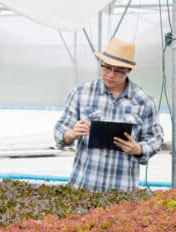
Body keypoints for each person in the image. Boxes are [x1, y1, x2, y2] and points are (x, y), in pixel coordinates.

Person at [53, 37, 164, 192]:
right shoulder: (81, 93)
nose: (111, 75)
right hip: (82, 189)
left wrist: (138, 148)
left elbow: (156, 138)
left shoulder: (144, 101)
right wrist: (70, 134)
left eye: (118, 71)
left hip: (121, 192)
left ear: (128, 71)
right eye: (106, 68)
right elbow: (60, 129)